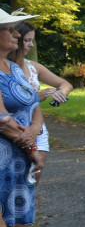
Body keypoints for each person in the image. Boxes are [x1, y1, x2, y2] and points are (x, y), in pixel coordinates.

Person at [0, 16, 46, 227]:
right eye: (10, 30)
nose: (17, 34)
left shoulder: (14, 67)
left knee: (10, 217)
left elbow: (34, 103)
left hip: (19, 155)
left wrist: (35, 128)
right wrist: (31, 147)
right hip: (4, 157)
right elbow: (3, 121)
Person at [9, 21, 72, 169]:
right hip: (13, 129)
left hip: (38, 128)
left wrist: (59, 94)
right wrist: (37, 96)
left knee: (36, 173)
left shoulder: (32, 66)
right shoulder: (4, 67)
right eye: (27, 40)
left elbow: (66, 84)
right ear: (15, 38)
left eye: (32, 40)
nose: (31, 45)